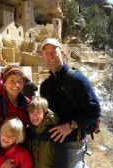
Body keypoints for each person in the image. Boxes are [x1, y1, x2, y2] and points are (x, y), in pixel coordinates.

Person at [40, 38, 101, 168]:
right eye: (46, 53)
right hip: (52, 144)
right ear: (42, 57)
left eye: (53, 52)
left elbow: (94, 110)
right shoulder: (45, 86)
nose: (50, 56)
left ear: (62, 53)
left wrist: (71, 126)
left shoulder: (76, 79)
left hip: (73, 143)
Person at [24, 96, 66, 168]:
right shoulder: (28, 132)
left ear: (45, 113)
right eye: (31, 112)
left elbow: (61, 160)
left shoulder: (54, 133)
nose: (34, 116)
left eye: (38, 112)